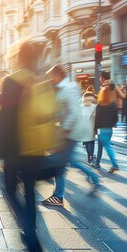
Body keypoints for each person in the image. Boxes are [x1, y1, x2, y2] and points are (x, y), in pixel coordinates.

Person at [0, 39, 44, 252]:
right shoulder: (39, 81)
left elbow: (6, 117)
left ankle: (29, 232)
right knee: (30, 193)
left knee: (9, 189)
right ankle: (31, 232)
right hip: (36, 146)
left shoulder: (12, 80)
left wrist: (0, 149)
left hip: (16, 147)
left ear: (20, 58)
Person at [41, 65, 83, 207]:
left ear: (58, 75)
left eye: (51, 76)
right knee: (62, 164)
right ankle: (58, 195)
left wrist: (63, 133)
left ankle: (58, 196)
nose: (50, 79)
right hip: (65, 133)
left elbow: (74, 113)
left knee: (57, 162)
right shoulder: (61, 89)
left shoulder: (69, 88)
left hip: (69, 134)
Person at [93, 71, 126, 173]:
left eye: (100, 77)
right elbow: (123, 97)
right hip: (111, 114)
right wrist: (123, 91)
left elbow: (99, 103)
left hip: (104, 116)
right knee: (102, 142)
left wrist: (95, 127)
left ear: (102, 78)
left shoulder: (104, 88)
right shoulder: (114, 85)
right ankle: (97, 162)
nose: (99, 79)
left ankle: (112, 164)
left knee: (105, 144)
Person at [80, 88, 97, 164]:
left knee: (86, 143)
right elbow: (96, 117)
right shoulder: (94, 106)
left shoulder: (81, 107)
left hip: (83, 128)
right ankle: (91, 156)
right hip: (91, 128)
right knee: (91, 142)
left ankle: (89, 157)